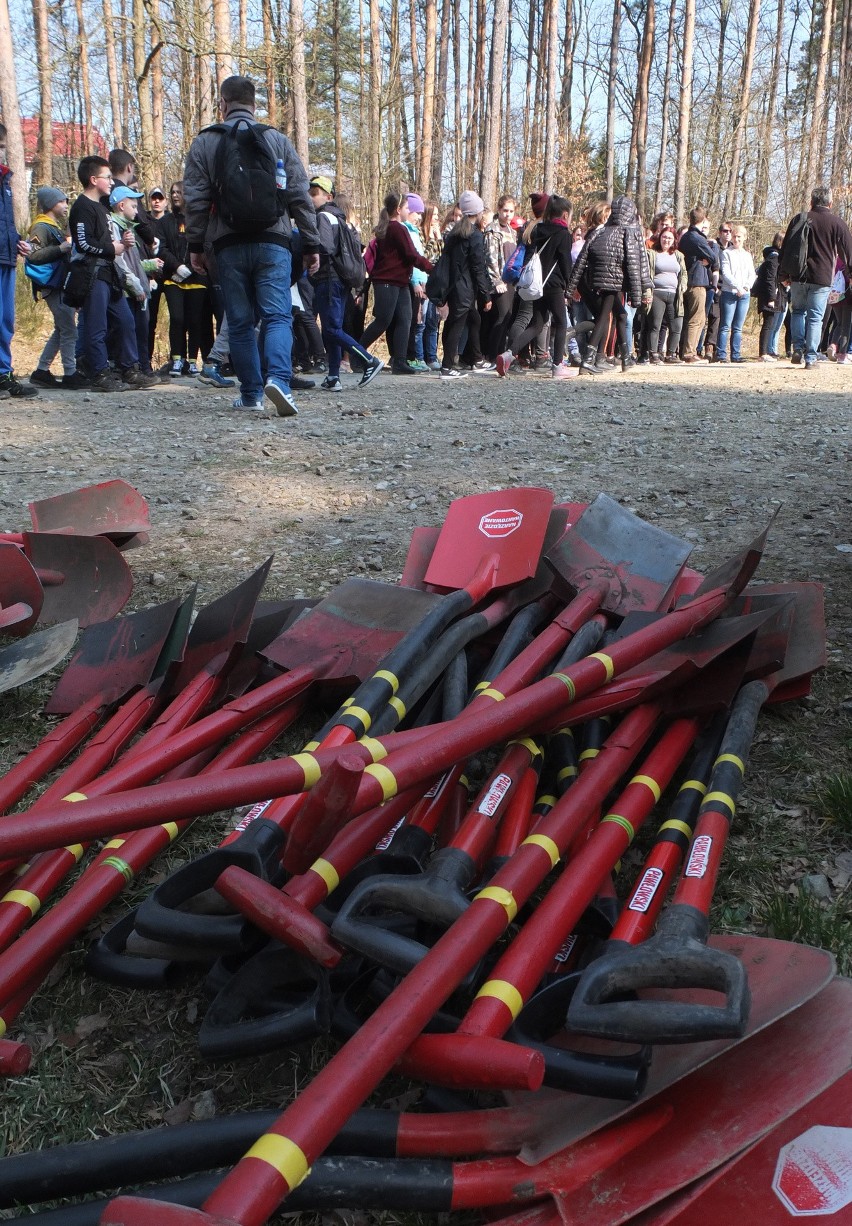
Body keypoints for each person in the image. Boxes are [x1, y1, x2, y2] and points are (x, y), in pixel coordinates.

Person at [183, 74, 322, 415]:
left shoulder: (206, 141)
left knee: (241, 321)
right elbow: (299, 195)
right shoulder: (276, 139)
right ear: (254, 104)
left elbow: (195, 199)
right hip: (273, 239)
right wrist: (311, 242)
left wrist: (196, 245)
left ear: (223, 103)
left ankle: (251, 395)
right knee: (277, 317)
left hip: (228, 243)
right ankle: (279, 381)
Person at [68, 154, 159, 392]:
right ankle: (98, 372)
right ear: (93, 179)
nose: (111, 181)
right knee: (96, 325)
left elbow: (110, 239)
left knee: (126, 320)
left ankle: (129, 368)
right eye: (107, 177)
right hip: (93, 275)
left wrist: (124, 242)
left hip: (111, 275)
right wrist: (113, 248)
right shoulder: (82, 208)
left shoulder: (102, 208)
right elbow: (83, 243)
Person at [308, 174, 382, 390]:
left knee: (331, 329)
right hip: (342, 281)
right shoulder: (340, 220)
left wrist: (308, 252)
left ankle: (370, 360)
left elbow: (325, 248)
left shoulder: (323, 217)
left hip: (328, 279)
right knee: (334, 327)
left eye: (314, 194)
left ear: (329, 196)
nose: (310, 198)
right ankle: (333, 377)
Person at [567, 194, 651, 374]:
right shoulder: (629, 233)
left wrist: (572, 286)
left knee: (620, 315)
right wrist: (640, 291)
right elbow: (637, 264)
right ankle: (588, 360)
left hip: (597, 280)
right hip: (614, 280)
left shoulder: (599, 232)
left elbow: (581, 260)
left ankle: (626, 358)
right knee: (603, 317)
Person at [496, 194, 575, 380]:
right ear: (564, 215)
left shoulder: (537, 229)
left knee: (537, 325)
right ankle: (557, 365)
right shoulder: (564, 234)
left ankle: (508, 354)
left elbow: (529, 255)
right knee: (562, 322)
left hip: (537, 285)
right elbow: (565, 263)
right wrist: (569, 286)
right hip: (554, 285)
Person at [359, 192, 432, 377]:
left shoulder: (395, 228)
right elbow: (411, 254)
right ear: (398, 210)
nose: (409, 211)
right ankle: (356, 352)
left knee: (405, 319)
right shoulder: (396, 229)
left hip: (400, 282)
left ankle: (399, 361)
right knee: (384, 320)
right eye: (407, 208)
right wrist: (431, 268)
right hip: (386, 282)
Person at [780, 186, 852, 370]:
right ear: (830, 203)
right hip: (821, 277)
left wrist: (784, 274)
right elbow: (849, 252)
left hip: (798, 275)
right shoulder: (837, 223)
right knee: (815, 317)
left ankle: (797, 348)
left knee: (798, 312)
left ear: (811, 202)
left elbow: (786, 247)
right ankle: (810, 358)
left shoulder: (800, 218)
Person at [27, 186, 87, 389]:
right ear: (51, 204)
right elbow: (33, 255)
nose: (65, 205)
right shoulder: (41, 227)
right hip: (53, 287)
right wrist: (61, 248)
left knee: (61, 329)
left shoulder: (53, 226)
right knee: (70, 331)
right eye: (62, 201)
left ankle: (41, 371)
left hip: (60, 286)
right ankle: (70, 373)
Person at [108, 184, 164, 376]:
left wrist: (148, 265)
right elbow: (119, 262)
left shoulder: (130, 229)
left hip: (137, 289)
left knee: (141, 330)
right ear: (121, 206)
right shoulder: (115, 228)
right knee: (128, 330)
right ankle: (130, 369)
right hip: (128, 291)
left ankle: (143, 368)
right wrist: (135, 287)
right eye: (134, 206)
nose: (137, 210)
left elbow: (133, 262)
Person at [159, 181, 214, 378]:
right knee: (177, 318)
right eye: (172, 192)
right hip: (173, 278)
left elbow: (204, 246)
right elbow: (161, 247)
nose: (175, 195)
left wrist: (190, 269)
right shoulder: (165, 222)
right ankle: (177, 359)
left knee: (195, 320)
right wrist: (177, 266)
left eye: (179, 192)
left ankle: (192, 361)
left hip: (197, 277)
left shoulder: (198, 220)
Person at [0, 123, 37, 399]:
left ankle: (4, 374)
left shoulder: (6, 181)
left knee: (6, 320)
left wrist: (17, 241)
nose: (1, 152)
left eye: (1, 147)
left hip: (7, 259)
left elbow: (7, 223)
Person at [439, 189, 492, 379]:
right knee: (456, 325)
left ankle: (476, 359)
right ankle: (446, 366)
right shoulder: (475, 235)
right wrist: (485, 295)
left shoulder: (454, 233)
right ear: (477, 213)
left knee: (472, 319)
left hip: (454, 286)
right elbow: (478, 267)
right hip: (465, 288)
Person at [677, 205, 719, 362]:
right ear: (703, 220)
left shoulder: (686, 237)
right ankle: (689, 352)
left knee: (689, 317)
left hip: (687, 280)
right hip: (697, 282)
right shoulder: (698, 238)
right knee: (697, 318)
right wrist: (707, 259)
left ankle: (685, 350)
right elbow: (713, 257)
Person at [483, 195, 517, 362]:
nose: (508, 214)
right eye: (505, 211)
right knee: (502, 315)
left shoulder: (512, 232)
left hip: (511, 280)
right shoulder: (492, 230)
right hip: (498, 280)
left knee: (509, 315)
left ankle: (500, 354)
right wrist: (496, 280)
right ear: (499, 210)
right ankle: (491, 355)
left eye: (511, 211)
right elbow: (490, 258)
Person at [715, 224, 756, 363]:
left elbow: (752, 274)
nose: (736, 239)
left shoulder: (747, 255)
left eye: (739, 236)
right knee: (725, 325)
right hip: (729, 292)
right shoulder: (727, 253)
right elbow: (726, 273)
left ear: (744, 237)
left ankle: (736, 354)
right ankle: (721, 354)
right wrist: (737, 287)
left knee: (738, 327)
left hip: (745, 294)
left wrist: (745, 287)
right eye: (734, 236)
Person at [645, 225, 686, 364]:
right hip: (657, 293)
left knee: (676, 326)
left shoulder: (678, 255)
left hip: (675, 295)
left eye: (669, 238)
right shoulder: (652, 253)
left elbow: (683, 274)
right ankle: (654, 354)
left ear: (674, 239)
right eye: (664, 237)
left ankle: (671, 354)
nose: (666, 240)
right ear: (660, 238)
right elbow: (646, 274)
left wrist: (683, 287)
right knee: (655, 325)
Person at [753, 231, 786, 362]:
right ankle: (763, 352)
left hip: (774, 294)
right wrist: (771, 298)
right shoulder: (774, 258)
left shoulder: (776, 257)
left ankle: (767, 351)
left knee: (771, 324)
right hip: (769, 295)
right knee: (767, 324)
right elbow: (770, 279)